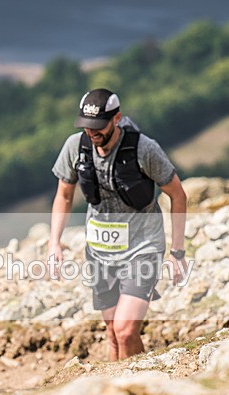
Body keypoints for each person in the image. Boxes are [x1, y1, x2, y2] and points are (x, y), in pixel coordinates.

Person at [48, 88, 187, 361]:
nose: (92, 132)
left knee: (124, 330)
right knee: (113, 335)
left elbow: (177, 195)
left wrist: (177, 251)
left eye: (99, 126)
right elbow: (64, 196)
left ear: (117, 119)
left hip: (142, 248)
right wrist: (54, 242)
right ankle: (122, 393)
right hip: (100, 253)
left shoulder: (144, 149)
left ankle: (143, 382)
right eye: (87, 126)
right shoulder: (75, 147)